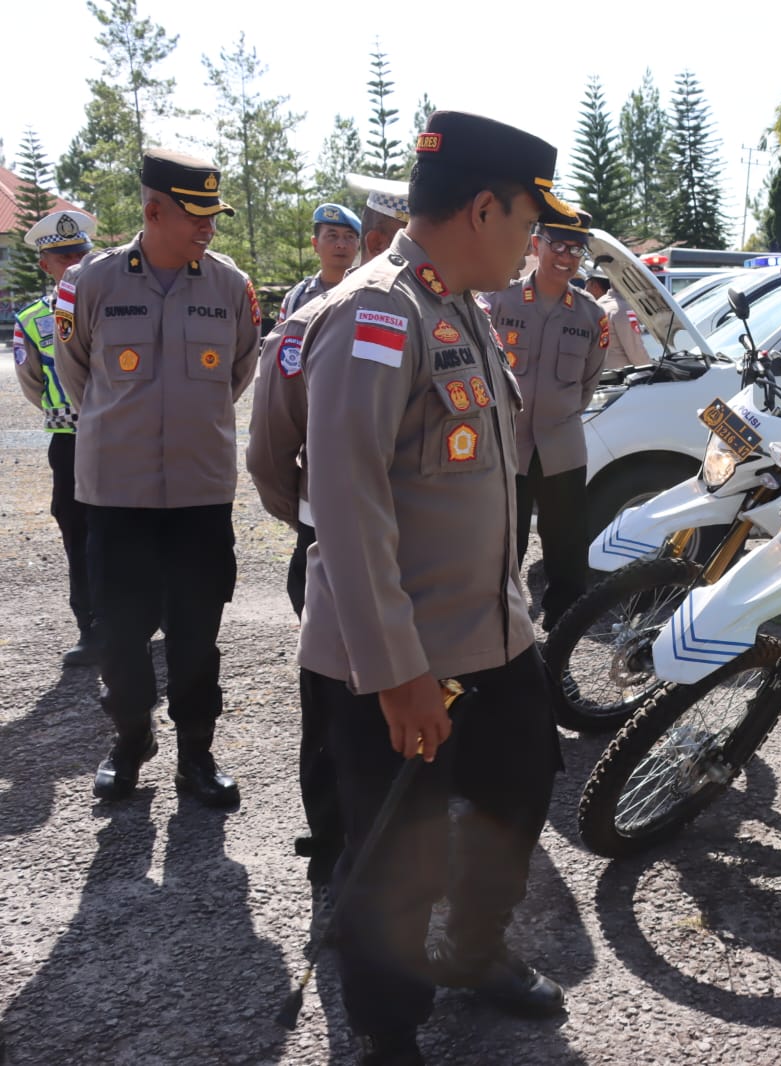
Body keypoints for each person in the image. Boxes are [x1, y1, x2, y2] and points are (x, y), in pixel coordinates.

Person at [297, 111, 568, 1065]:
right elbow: (344, 498)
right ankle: (388, 1028)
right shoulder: (377, 313)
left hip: (493, 636)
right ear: (484, 206)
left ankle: (474, 950)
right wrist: (398, 674)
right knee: (394, 853)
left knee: (516, 796)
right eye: (528, 219)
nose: (534, 239)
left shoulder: (460, 306)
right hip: (402, 657)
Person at [55, 149, 261, 807]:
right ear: (152, 210)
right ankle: (131, 740)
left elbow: (238, 373)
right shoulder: (92, 283)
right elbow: (75, 373)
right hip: (118, 496)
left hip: (199, 498)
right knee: (120, 634)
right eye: (197, 215)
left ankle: (195, 758)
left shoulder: (232, 287)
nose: (210, 227)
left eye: (213, 215)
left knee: (197, 635)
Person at [245, 173, 409, 895]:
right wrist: (312, 518)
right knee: (332, 704)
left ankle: (392, 835)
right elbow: (269, 450)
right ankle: (335, 836)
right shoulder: (311, 315)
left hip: (409, 550)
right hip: (329, 548)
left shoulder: (444, 312)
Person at [484, 204, 608, 628]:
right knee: (503, 544)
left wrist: (559, 411)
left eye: (577, 248)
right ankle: (501, 628)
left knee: (566, 547)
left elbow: (588, 382)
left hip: (562, 448)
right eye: (558, 244)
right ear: (536, 244)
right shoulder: (501, 300)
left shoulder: (592, 316)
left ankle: (563, 629)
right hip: (507, 444)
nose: (567, 256)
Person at [12, 209, 97, 665]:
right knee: (77, 532)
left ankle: (147, 615)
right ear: (46, 265)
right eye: (63, 257)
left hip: (122, 440)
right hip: (70, 441)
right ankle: (90, 625)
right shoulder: (32, 321)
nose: (74, 264)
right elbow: (32, 384)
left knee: (139, 527)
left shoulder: (117, 307)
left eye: (81, 254)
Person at [280, 202, 361, 318]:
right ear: (315, 244)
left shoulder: (369, 295)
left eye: (349, 237)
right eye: (332, 236)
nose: (341, 245)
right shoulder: (296, 298)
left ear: (358, 244)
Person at [584, 268, 649, 370]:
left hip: (599, 374)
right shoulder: (622, 309)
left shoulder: (599, 305)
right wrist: (650, 370)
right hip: (621, 376)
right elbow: (635, 352)